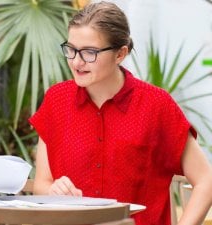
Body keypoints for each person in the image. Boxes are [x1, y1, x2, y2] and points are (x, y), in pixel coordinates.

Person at [29, 2, 212, 225]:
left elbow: (205, 180)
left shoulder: (156, 105)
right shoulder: (56, 100)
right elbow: (42, 183)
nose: (76, 62)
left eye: (89, 52)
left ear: (120, 54)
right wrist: (53, 190)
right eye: (71, 49)